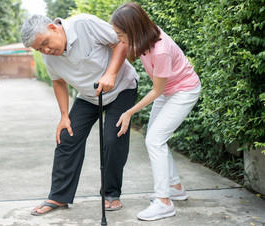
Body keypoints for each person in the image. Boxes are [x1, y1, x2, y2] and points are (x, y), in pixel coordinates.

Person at [21, 13, 139, 215]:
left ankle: (111, 193)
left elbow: (121, 42)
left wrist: (110, 73)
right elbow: (58, 82)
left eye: (46, 44)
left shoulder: (84, 24)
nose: (46, 50)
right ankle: (58, 197)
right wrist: (64, 116)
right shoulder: (49, 57)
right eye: (39, 49)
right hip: (89, 95)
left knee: (112, 138)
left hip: (121, 87)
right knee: (67, 136)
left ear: (53, 28)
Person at [111, 2, 201, 221]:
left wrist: (129, 112)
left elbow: (157, 90)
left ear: (133, 30)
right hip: (167, 91)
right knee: (155, 138)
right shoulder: (144, 38)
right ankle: (175, 188)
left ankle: (164, 202)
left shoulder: (160, 50)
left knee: (154, 140)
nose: (118, 39)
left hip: (183, 91)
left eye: (120, 35)